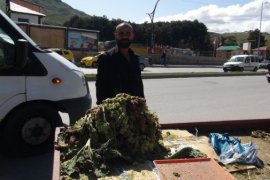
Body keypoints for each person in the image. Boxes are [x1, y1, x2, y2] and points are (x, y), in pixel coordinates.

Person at [95, 22, 144, 105]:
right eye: (121, 33)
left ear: (132, 35)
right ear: (115, 35)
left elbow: (139, 84)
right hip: (114, 111)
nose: (124, 36)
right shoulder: (106, 58)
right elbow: (100, 88)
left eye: (128, 33)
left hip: (134, 111)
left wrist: (142, 104)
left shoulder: (135, 58)